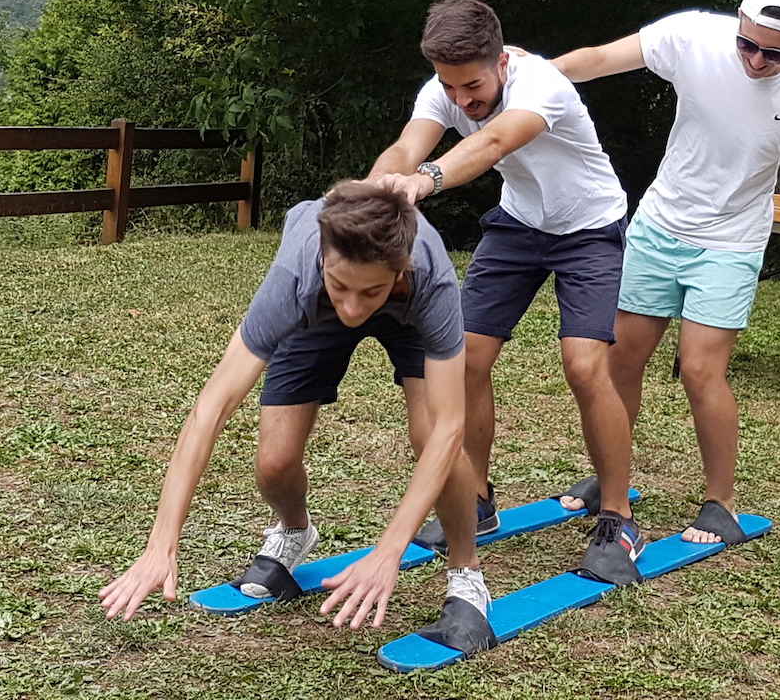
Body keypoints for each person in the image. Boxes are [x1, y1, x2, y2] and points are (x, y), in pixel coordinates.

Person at [99, 182, 496, 654]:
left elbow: (451, 427)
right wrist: (161, 542)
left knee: (431, 434)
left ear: (400, 268)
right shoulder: (295, 276)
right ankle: (294, 531)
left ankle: (466, 572)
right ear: (323, 259)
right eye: (341, 286)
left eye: (368, 291)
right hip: (312, 312)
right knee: (274, 461)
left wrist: (388, 551)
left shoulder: (431, 278)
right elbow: (213, 405)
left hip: (410, 314)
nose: (353, 307)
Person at [552, 0, 780, 545]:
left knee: (700, 368)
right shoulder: (694, 37)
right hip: (659, 224)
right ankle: (607, 477)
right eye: (747, 44)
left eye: (773, 53)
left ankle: (720, 502)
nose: (755, 60)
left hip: (732, 240)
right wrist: (526, 75)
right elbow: (597, 59)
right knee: (621, 360)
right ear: (738, 24)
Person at [368, 0, 642, 585]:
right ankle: (477, 498)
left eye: (473, 86)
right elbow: (405, 147)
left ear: (501, 61)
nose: (462, 100)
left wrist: (425, 180)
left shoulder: (539, 82)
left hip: (589, 228)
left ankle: (618, 517)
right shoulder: (444, 88)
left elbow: (492, 144)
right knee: (463, 357)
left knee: (585, 365)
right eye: (451, 86)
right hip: (519, 225)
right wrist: (376, 189)